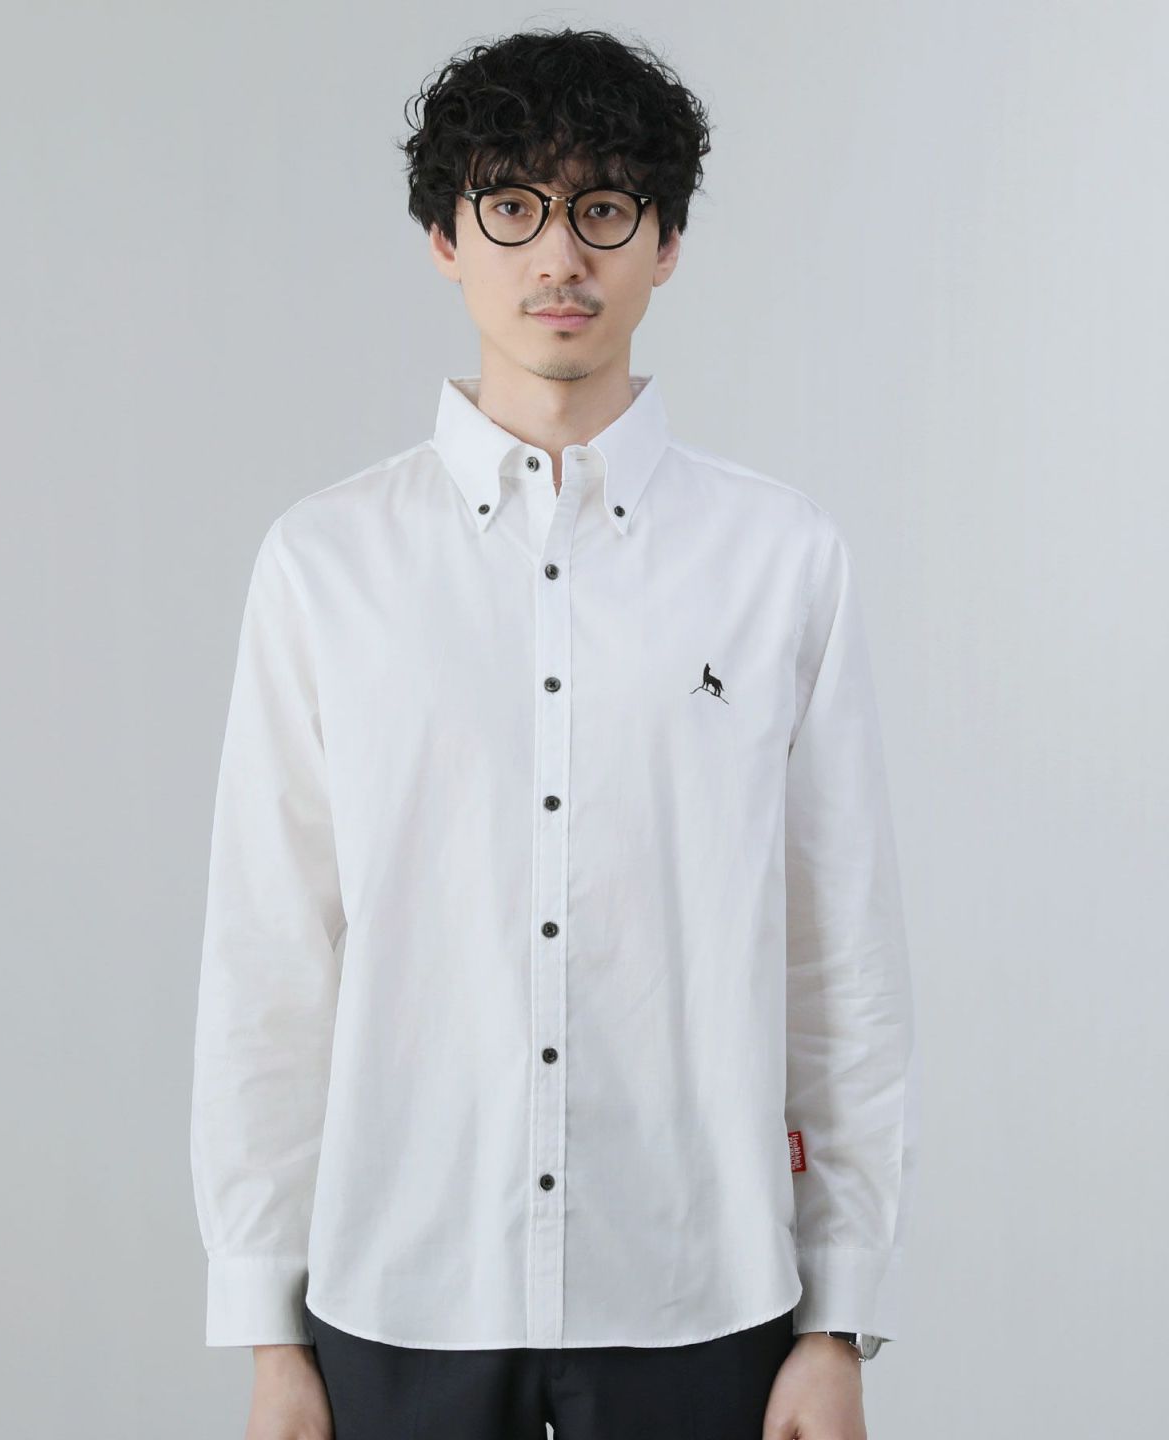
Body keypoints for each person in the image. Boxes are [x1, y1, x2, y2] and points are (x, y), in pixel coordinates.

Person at [190, 25, 920, 1440]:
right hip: (397, 1292)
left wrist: (838, 1320)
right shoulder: (326, 563)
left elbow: (843, 968)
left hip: (700, 1291)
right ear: (444, 239)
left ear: (667, 243)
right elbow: (270, 959)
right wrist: (268, 1332)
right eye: (513, 205)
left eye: (604, 208)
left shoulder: (780, 561)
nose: (560, 257)